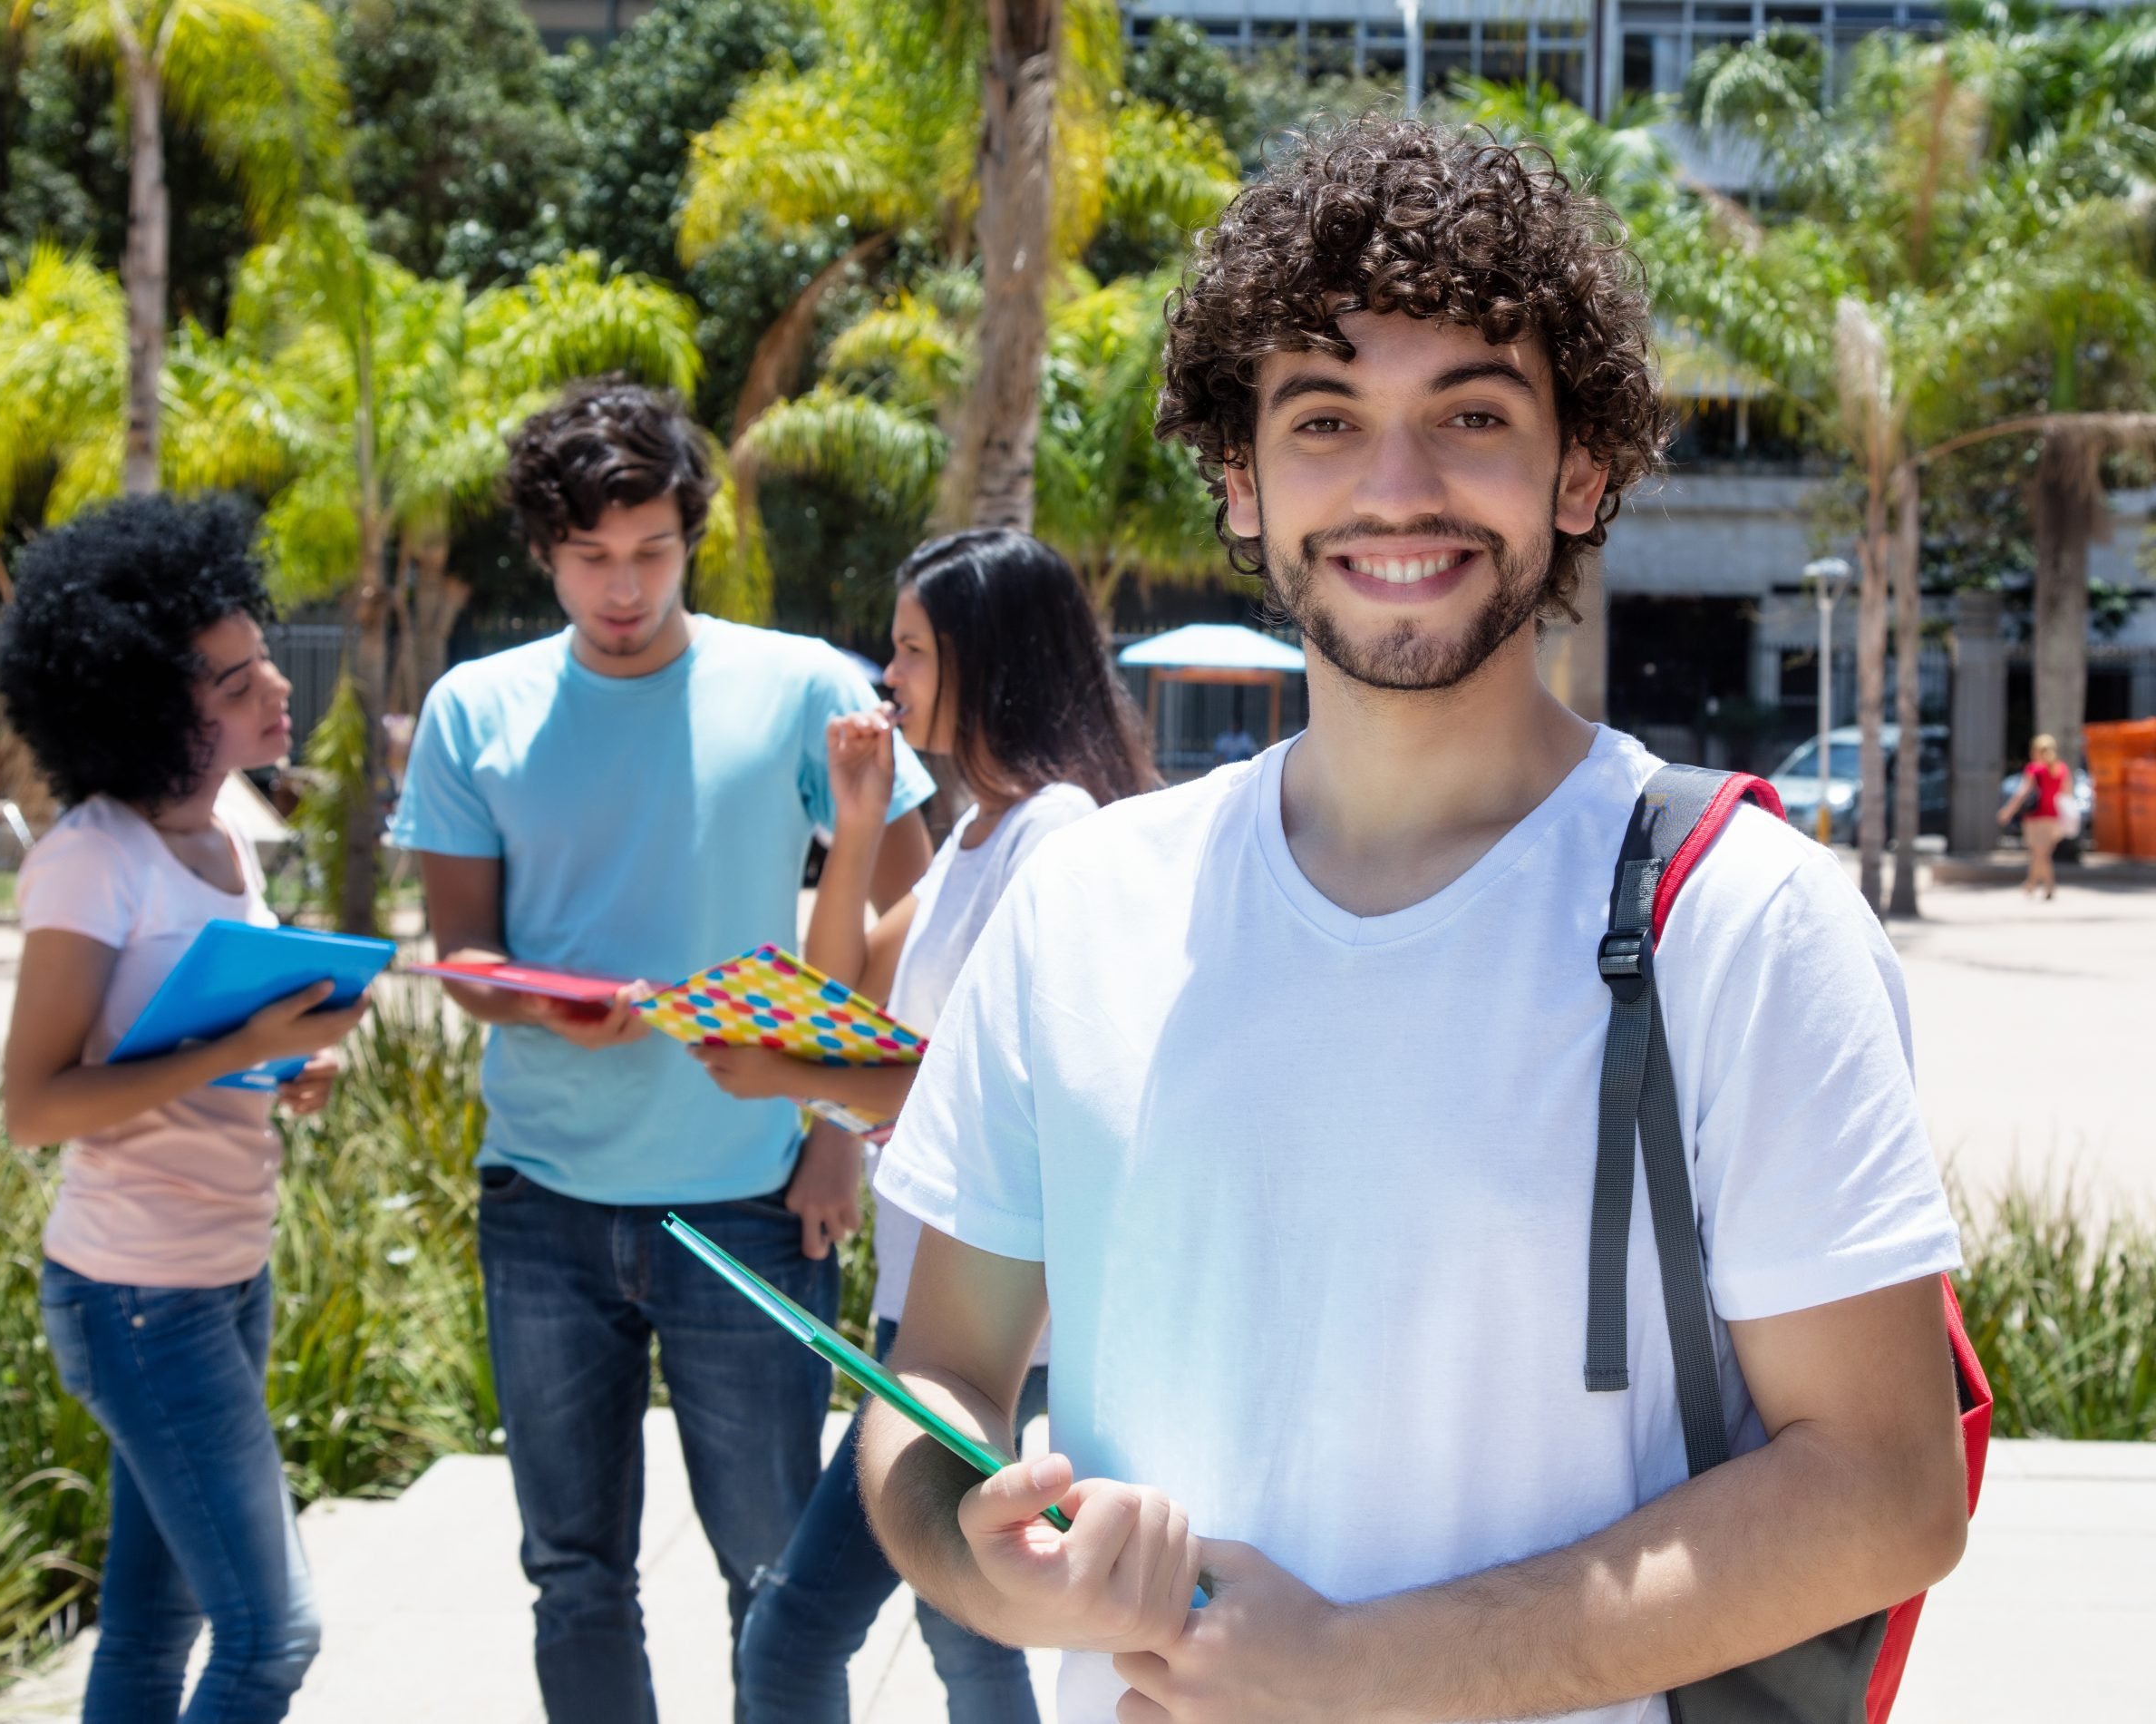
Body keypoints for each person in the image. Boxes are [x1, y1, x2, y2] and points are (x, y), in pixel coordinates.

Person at [857, 114, 1969, 1724]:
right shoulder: (1084, 904)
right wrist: (979, 1552)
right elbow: (938, 1371)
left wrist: (1360, 1671)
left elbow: (1884, 1488)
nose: (1396, 488)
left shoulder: (1740, 918)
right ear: (1240, 479)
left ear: (1580, 469)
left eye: (1472, 413)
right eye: (1324, 417)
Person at [391, 375, 937, 1724]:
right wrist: (541, 1006)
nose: (624, 586)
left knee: (777, 1581)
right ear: (543, 551)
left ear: (693, 535)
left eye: (651, 549)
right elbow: (465, 957)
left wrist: (837, 1133)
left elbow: (919, 924)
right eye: (590, 556)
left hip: (751, 1199)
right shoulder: (473, 707)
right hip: (542, 1202)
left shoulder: (803, 686)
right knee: (574, 1575)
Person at [690, 529, 1156, 1723]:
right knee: (965, 1636)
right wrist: (853, 827)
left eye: (911, 649)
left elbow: (1009, 1103)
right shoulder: (977, 831)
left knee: (792, 1634)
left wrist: (800, 1076)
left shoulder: (1057, 831)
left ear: (987, 657)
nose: (886, 676)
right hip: (933, 1306)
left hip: (991, 1325)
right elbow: (835, 991)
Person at [0, 494, 367, 1724]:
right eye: (238, 680)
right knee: (272, 1636)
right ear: (148, 704)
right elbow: (36, 1104)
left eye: (266, 663)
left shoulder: (225, 837)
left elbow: (190, 1047)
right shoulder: (92, 856)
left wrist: (282, 1068)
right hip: (136, 1294)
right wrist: (245, 1045)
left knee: (155, 1630)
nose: (277, 689)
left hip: (223, 1274)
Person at [1998, 733, 2071, 901]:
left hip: (2035, 817)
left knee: (2039, 855)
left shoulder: (2035, 769)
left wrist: (2008, 811)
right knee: (2041, 854)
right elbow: (2067, 794)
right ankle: (2031, 884)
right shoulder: (2062, 769)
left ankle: (2048, 885)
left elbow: (2022, 793)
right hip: (2053, 817)